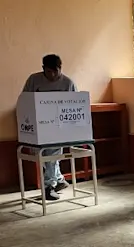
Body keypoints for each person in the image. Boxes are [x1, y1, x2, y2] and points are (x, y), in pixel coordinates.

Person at [22, 54, 77, 200]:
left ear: (60, 68)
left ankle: (49, 186)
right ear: (43, 69)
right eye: (48, 71)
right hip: (39, 126)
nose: (52, 75)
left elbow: (75, 106)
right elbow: (25, 101)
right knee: (44, 155)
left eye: (55, 71)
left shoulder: (68, 83)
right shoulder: (34, 80)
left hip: (59, 127)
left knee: (51, 154)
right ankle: (59, 179)